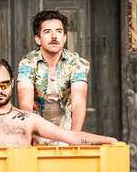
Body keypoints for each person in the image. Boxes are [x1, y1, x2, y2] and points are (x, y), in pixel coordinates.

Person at [0, 58, 117, 147]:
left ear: (12, 83)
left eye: (4, 84)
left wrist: (107, 140)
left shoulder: (29, 119)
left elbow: (69, 137)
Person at [18, 10, 89, 145]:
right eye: (47, 32)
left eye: (59, 31)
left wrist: (74, 137)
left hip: (66, 127)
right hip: (37, 125)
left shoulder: (76, 63)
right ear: (38, 39)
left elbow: (79, 100)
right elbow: (25, 101)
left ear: (65, 37)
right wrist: (31, 133)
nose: (54, 36)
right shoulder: (27, 63)